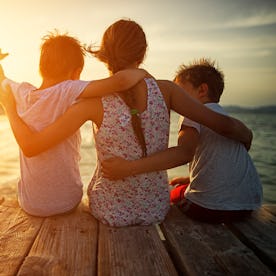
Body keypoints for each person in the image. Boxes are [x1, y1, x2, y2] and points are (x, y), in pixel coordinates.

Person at [0, 20, 253, 227]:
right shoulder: (167, 90)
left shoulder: (92, 102)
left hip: (109, 210)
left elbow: (35, 144)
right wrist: (245, 134)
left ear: (104, 55)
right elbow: (205, 139)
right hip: (156, 208)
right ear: (142, 54)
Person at [0, 31, 146, 217]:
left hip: (30, 205)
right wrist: (141, 72)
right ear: (75, 73)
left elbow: (1, 79)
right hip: (66, 203)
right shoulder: (68, 89)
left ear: (41, 68)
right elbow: (121, 82)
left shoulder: (21, 91)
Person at [102, 58, 263, 223]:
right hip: (247, 206)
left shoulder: (193, 115)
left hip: (210, 208)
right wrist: (192, 178)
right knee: (181, 187)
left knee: (169, 195)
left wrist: (128, 168)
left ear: (202, 90)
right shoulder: (223, 116)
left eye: (180, 92)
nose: (175, 100)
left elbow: (185, 153)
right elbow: (223, 162)